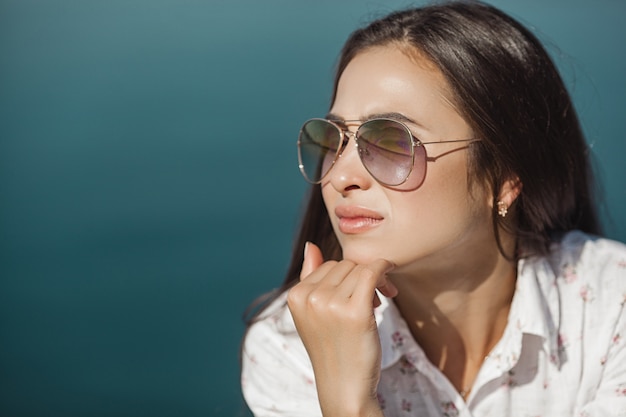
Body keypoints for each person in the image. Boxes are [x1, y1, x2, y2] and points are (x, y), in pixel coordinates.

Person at [241, 1, 626, 416]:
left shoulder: (610, 313)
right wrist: (345, 396)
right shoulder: (292, 346)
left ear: (506, 178)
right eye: (333, 139)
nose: (338, 178)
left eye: (390, 142)